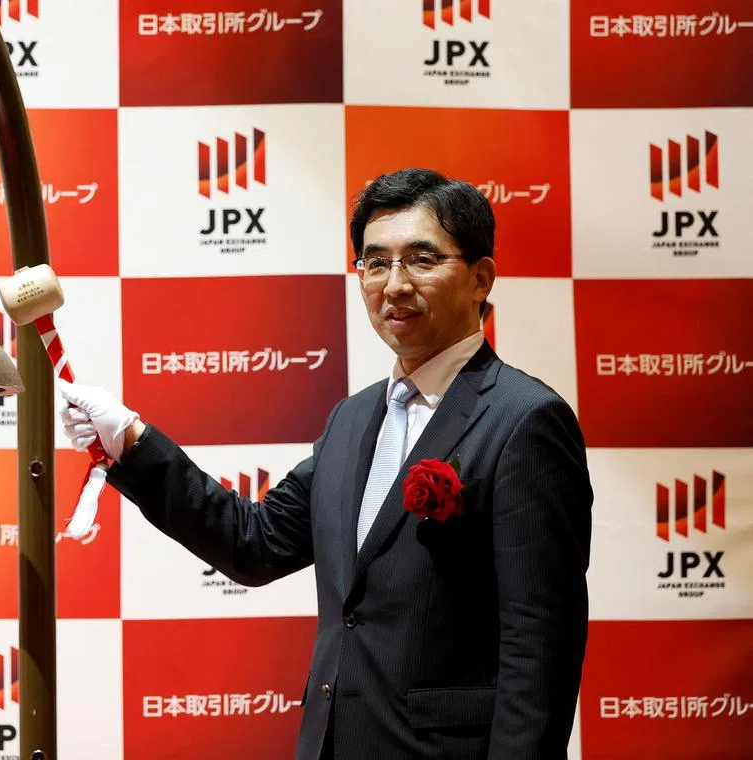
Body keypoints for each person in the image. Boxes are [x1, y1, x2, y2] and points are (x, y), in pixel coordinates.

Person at [57, 168, 593, 760]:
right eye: (375, 262)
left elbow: (539, 645)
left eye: (421, 259)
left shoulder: (526, 419)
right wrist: (132, 440)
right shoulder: (352, 419)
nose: (394, 285)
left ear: (479, 279)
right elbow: (253, 543)